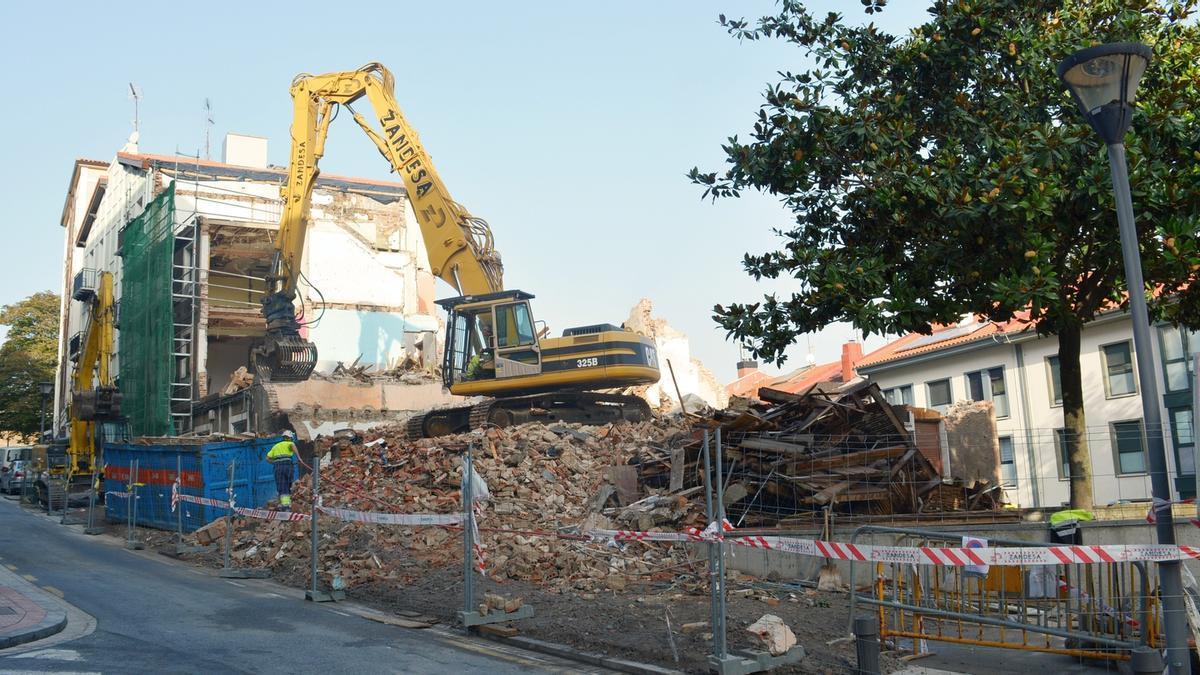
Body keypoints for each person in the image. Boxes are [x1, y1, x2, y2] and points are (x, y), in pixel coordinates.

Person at [267, 431, 298, 510]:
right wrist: (299, 458)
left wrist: (275, 463)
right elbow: (293, 445)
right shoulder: (290, 443)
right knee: (288, 484)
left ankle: (285, 505)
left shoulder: (275, 446)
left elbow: (267, 458)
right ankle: (286, 505)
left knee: (282, 486)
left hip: (278, 467)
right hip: (288, 466)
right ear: (290, 438)